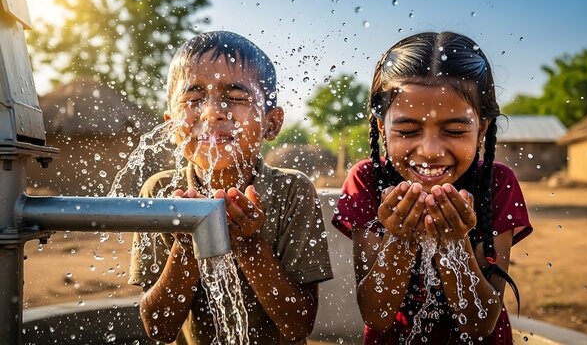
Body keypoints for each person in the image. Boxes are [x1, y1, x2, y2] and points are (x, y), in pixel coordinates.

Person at [128, 30, 333, 345]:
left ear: (272, 123)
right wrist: (187, 246)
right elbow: (159, 328)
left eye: (237, 98)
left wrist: (249, 245)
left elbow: (298, 325)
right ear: (171, 123)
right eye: (194, 99)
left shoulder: (292, 190)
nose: (212, 113)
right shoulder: (161, 193)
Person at [332, 31, 533, 344]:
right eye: (408, 130)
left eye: (454, 131)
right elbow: (376, 314)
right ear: (382, 128)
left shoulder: (496, 184)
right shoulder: (368, 181)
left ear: (482, 128)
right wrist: (399, 238)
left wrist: (454, 242)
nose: (430, 151)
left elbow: (480, 324)